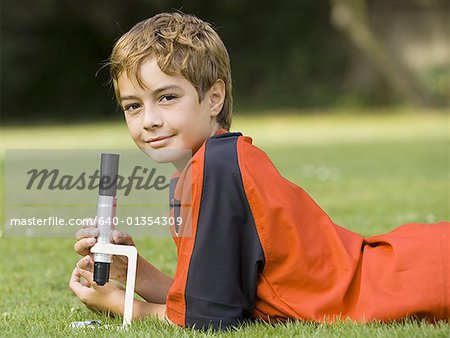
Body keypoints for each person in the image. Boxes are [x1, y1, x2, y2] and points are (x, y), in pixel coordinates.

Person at [69, 12, 450, 330]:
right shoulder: (195, 171)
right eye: (133, 106)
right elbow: (221, 299)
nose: (148, 120)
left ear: (214, 97)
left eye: (167, 97)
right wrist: (133, 270)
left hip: (412, 279)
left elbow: (208, 320)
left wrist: (122, 306)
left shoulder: (216, 166)